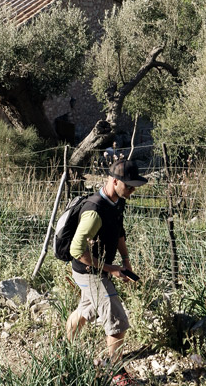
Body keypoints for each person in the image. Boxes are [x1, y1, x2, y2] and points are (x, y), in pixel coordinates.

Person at [66, 159, 148, 386]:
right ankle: (116, 371)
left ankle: (66, 348)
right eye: (129, 186)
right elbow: (76, 250)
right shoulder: (94, 211)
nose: (132, 191)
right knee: (117, 320)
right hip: (89, 271)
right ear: (114, 181)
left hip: (100, 268)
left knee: (86, 309)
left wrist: (126, 261)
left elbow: (119, 232)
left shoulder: (116, 202)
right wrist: (112, 269)